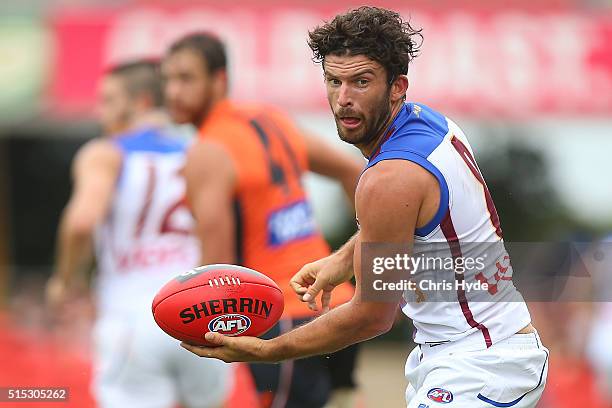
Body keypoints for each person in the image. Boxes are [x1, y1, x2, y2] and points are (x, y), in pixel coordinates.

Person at [180, 7, 550, 408]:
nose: (343, 99)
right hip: (469, 352)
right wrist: (341, 262)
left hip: (482, 362)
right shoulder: (429, 123)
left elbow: (373, 316)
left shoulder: (387, 178)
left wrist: (266, 349)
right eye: (333, 81)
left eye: (361, 82)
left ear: (397, 86)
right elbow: (404, 224)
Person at [162, 33, 364, 408]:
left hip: (278, 319)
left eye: (186, 78)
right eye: (167, 80)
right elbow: (353, 172)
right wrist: (363, 255)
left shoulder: (208, 151)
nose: (173, 91)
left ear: (219, 80)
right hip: (335, 307)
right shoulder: (270, 119)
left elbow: (214, 271)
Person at [45, 60, 231, 408]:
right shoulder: (203, 153)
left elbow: (82, 221)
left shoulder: (105, 153)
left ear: (142, 102)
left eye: (108, 101)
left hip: (132, 317)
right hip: (200, 315)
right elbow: (219, 237)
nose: (100, 112)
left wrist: (65, 280)